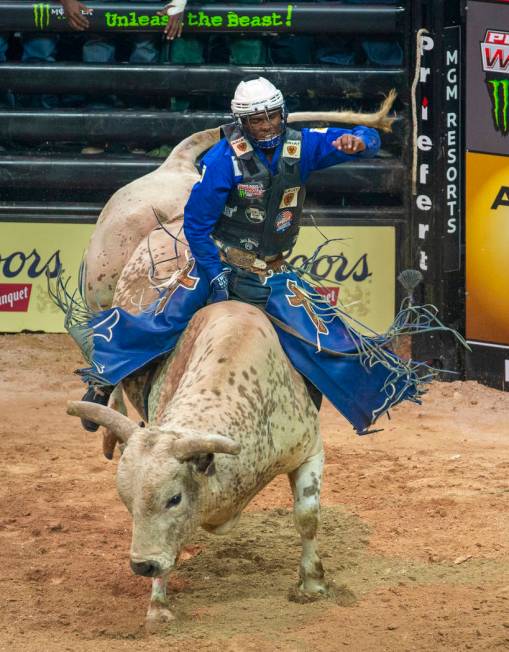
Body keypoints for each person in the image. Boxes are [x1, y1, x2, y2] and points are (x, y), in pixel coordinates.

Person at [61, 76, 444, 438]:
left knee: (331, 337)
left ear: (282, 112)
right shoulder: (222, 161)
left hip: (272, 274)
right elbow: (196, 226)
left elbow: (365, 137)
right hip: (225, 263)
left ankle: (386, 384)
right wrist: (215, 274)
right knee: (161, 321)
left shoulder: (301, 146)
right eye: (256, 120)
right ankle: (103, 378)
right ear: (243, 122)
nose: (265, 126)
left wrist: (359, 143)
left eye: (271, 116)